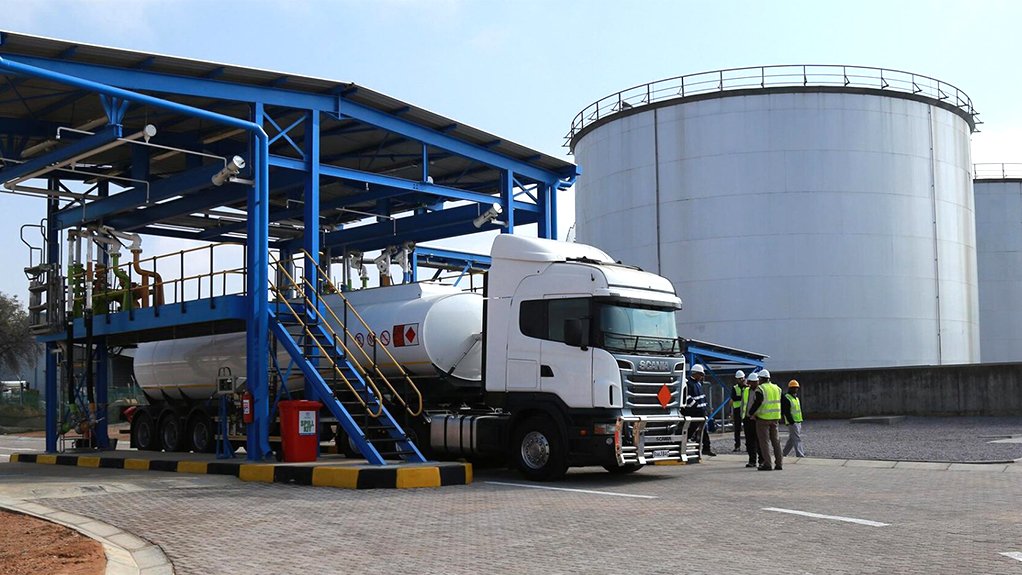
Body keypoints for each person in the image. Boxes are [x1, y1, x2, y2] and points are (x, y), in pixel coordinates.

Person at [747, 369, 783, 471]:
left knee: (764, 442)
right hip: (775, 418)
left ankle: (767, 464)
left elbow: (758, 402)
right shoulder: (777, 388)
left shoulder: (761, 389)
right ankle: (779, 463)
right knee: (776, 441)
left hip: (763, 419)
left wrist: (751, 413)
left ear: (761, 379)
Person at [684, 364, 716, 457]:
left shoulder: (698, 383)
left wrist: (706, 407)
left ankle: (706, 448)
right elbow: (687, 398)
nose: (702, 377)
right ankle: (684, 444)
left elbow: (702, 397)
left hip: (701, 412)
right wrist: (696, 406)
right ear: (695, 373)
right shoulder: (688, 383)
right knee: (691, 430)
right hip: (693, 412)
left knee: (704, 431)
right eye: (701, 374)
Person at [742, 371, 762, 468]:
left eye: (755, 382)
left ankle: (761, 460)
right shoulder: (746, 391)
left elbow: (761, 405)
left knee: (759, 441)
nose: (753, 384)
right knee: (749, 441)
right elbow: (743, 404)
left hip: (757, 419)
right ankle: (752, 460)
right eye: (752, 382)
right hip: (747, 419)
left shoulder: (760, 391)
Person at [782, 379, 806, 458]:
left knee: (792, 439)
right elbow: (786, 411)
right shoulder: (787, 398)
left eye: (796, 387)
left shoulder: (796, 398)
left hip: (798, 421)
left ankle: (783, 454)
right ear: (790, 388)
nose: (796, 389)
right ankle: (800, 455)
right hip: (792, 422)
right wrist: (791, 421)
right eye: (794, 387)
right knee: (797, 438)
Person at [730, 370, 746, 451]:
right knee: (737, 429)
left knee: (747, 429)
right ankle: (737, 446)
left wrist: (739, 397)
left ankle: (748, 445)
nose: (740, 380)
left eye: (741, 378)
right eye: (738, 379)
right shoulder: (735, 387)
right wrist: (742, 397)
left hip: (745, 410)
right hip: (737, 410)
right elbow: (734, 397)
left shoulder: (747, 387)